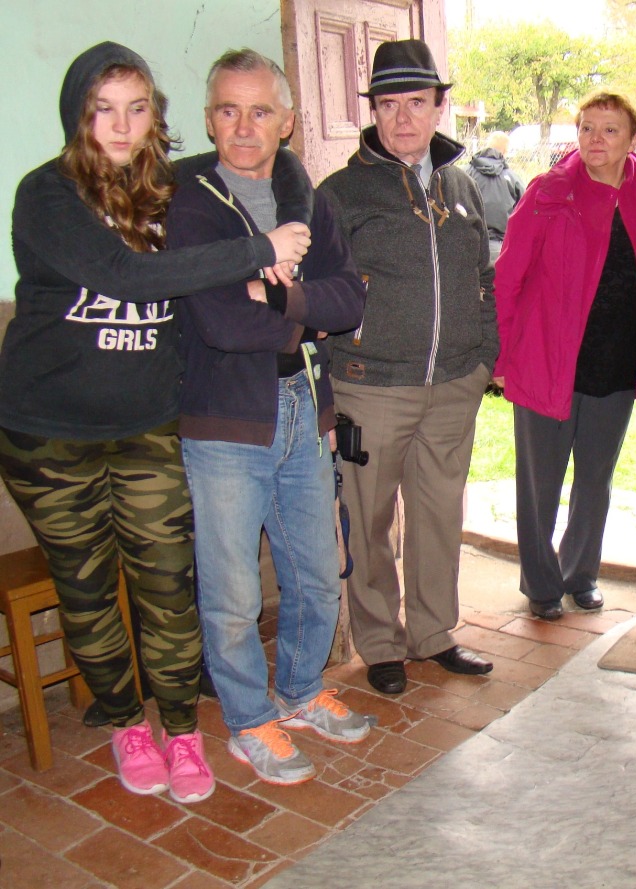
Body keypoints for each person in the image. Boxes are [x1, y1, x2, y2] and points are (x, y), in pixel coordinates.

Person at [0, 42, 310, 803]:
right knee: (87, 592)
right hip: (48, 434)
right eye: (102, 109)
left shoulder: (170, 188)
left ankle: (180, 729)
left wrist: (296, 212)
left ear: (155, 117)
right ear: (77, 114)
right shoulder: (46, 193)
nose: (120, 125)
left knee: (169, 585)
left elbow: (268, 157)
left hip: (146, 425)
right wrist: (258, 249)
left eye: (136, 108)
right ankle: (123, 723)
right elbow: (125, 275)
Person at [167, 48, 369, 786]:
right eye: (229, 110)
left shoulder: (306, 199)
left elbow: (351, 299)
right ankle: (250, 720)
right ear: (210, 119)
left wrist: (276, 296)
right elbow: (219, 323)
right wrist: (305, 316)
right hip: (225, 422)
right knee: (233, 594)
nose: (244, 126)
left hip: (303, 410)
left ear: (287, 121)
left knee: (316, 574)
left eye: (260, 111)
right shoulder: (190, 202)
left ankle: (300, 690)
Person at [319, 39, 497, 696]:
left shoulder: (462, 185)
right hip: (371, 388)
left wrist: (482, 357)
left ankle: (432, 633)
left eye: (416, 103)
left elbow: (482, 277)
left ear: (438, 106)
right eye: (389, 104)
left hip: (452, 385)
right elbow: (319, 292)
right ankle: (379, 643)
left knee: (438, 516)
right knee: (368, 520)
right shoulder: (339, 194)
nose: (403, 118)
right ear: (373, 111)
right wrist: (334, 379)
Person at [494, 93, 636, 622]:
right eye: (587, 128)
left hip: (615, 360)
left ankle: (580, 574)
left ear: (633, 140)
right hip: (548, 358)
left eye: (610, 130)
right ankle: (541, 584)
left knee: (596, 478)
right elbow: (508, 277)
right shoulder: (547, 193)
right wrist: (503, 355)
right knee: (541, 482)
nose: (596, 139)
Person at [467, 131, 525, 263]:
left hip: (470, 245)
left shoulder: (465, 173)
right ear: (504, 151)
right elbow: (526, 214)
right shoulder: (513, 179)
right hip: (503, 248)